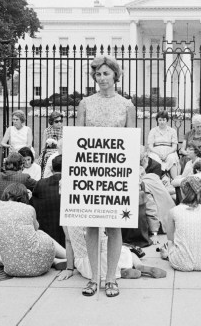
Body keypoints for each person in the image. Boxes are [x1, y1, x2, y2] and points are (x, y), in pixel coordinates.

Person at [75, 54, 135, 297]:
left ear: (115, 76)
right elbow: (78, 139)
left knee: (114, 226)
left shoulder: (127, 105)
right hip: (91, 171)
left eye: (106, 74)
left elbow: (132, 141)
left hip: (116, 172)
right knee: (91, 226)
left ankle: (111, 278)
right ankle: (94, 278)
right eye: (98, 74)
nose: (101, 78)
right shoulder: (85, 103)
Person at [57, 225, 166, 284]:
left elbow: (68, 240)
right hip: (111, 254)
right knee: (126, 251)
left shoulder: (68, 218)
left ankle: (122, 272)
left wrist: (69, 268)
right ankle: (138, 265)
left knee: (99, 267)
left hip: (88, 263)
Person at [161, 176, 201, 272]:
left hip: (180, 263)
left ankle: (168, 255)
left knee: (170, 243)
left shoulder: (174, 211)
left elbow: (170, 238)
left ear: (182, 192)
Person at [30, 155, 65, 247]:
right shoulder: (72, 184)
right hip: (65, 232)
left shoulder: (41, 183)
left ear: (52, 169)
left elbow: (34, 203)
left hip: (47, 230)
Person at [148, 110, 180, 178]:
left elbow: (174, 146)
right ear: (157, 120)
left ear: (167, 120)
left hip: (169, 151)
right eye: (160, 120)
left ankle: (175, 180)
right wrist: (158, 153)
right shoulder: (153, 131)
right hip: (156, 151)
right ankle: (157, 180)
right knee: (154, 159)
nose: (162, 122)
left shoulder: (172, 131)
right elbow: (150, 146)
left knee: (172, 158)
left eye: (163, 120)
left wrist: (167, 153)